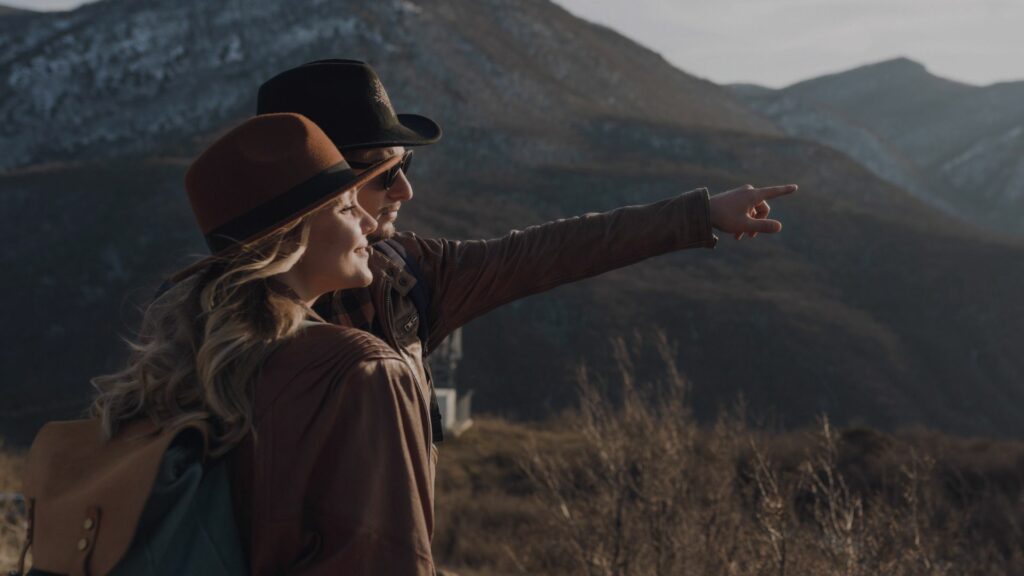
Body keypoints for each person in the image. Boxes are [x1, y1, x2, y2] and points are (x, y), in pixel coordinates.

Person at [255, 59, 799, 448]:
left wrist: (698, 214)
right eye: (380, 172)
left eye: (406, 167)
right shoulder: (205, 335)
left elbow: (550, 251)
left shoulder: (409, 274)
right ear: (315, 187)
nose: (404, 191)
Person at [21, 113, 438, 575]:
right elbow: (387, 559)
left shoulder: (186, 361)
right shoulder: (361, 369)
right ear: (292, 234)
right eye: (344, 207)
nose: (366, 220)